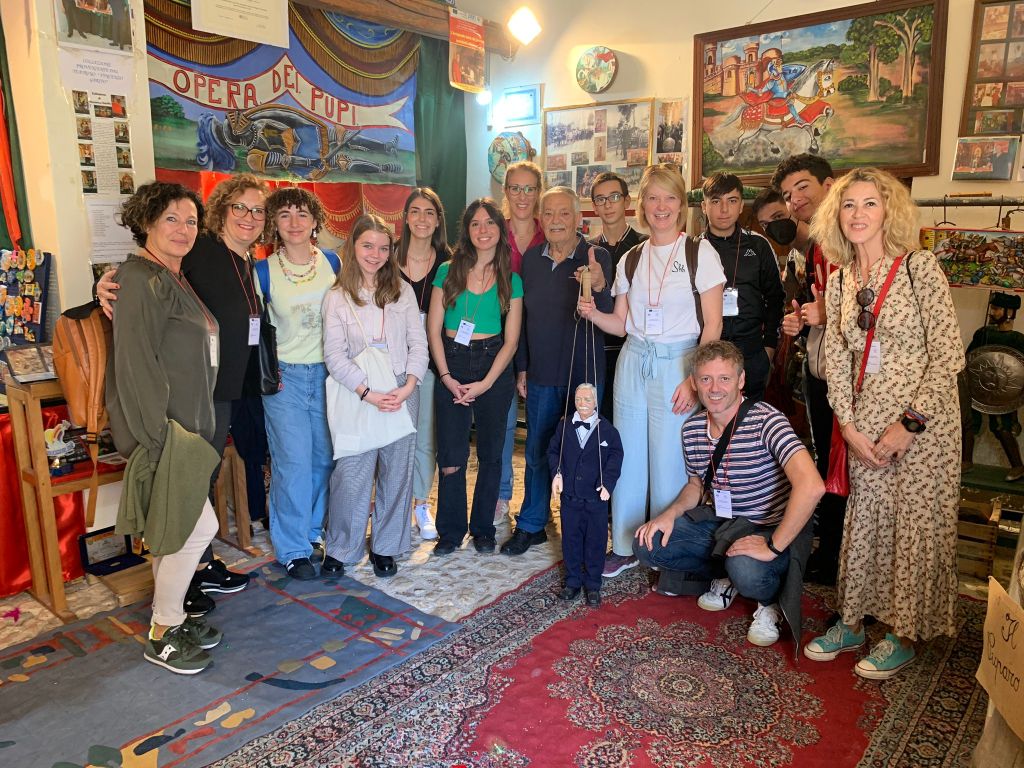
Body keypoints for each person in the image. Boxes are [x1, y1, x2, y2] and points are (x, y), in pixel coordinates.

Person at [804, 167, 965, 679]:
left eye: (869, 203)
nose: (858, 214)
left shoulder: (920, 267)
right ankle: (852, 621)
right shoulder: (840, 280)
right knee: (865, 523)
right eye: (848, 204)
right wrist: (848, 427)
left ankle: (903, 633)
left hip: (924, 427)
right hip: (864, 425)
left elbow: (948, 356)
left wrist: (908, 425)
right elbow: (837, 359)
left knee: (913, 525)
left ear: (888, 211)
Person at [98, 175, 269, 613]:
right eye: (240, 207)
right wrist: (100, 289)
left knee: (197, 492)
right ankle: (179, 594)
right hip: (181, 411)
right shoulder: (193, 254)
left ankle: (195, 575)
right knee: (185, 503)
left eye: (258, 210)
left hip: (217, 394)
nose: (249, 217)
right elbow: (135, 310)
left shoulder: (236, 260)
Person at [578, 164, 725, 578]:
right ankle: (625, 546)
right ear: (642, 204)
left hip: (679, 361)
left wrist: (695, 380)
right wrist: (593, 313)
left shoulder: (700, 252)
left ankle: (666, 549)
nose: (661, 207)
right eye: (653, 198)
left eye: (670, 198)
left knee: (669, 460)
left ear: (681, 204)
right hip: (633, 360)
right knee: (626, 456)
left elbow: (714, 324)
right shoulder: (632, 258)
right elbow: (622, 324)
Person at [632, 341, 824, 647]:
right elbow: (696, 486)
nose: (715, 389)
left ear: (741, 380)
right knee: (648, 542)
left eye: (724, 378)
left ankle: (768, 601)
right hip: (723, 523)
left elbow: (812, 486)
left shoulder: (767, 421)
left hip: (769, 526)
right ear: (694, 382)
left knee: (746, 568)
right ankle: (729, 575)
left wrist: (772, 546)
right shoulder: (692, 429)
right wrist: (668, 515)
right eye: (706, 379)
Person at [107, 181, 223, 674]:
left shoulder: (171, 275)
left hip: (187, 429)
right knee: (196, 528)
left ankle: (171, 619)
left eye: (191, 220)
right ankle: (163, 631)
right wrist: (156, 438)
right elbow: (135, 364)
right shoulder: (140, 278)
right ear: (147, 222)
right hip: (165, 433)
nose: (183, 229)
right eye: (171, 218)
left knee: (176, 528)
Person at [502, 187, 613, 556]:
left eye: (564, 213)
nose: (555, 220)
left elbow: (611, 311)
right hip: (541, 373)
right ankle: (532, 524)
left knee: (581, 455)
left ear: (578, 218)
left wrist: (599, 284)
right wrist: (522, 367)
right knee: (536, 451)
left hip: (585, 375)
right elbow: (522, 319)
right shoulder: (531, 261)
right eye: (548, 213)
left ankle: (579, 528)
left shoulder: (597, 257)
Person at [321, 214, 428, 577]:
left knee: (397, 472)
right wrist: (367, 392)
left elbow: (418, 343)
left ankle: (386, 546)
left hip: (400, 387)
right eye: (368, 246)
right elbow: (334, 355)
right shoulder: (336, 297)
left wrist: (408, 386)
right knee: (352, 472)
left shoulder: (403, 291)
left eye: (384, 248)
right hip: (356, 389)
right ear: (353, 246)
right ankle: (342, 547)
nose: (376, 254)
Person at [428, 199, 523, 555]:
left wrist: (485, 383)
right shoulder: (447, 271)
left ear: (500, 229)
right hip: (451, 361)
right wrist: (446, 376)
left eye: (490, 223)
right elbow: (433, 330)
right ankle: (450, 531)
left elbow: (511, 341)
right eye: (475, 224)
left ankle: (483, 528)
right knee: (451, 454)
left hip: (492, 364)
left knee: (491, 453)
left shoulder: (511, 280)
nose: (483, 230)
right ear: (467, 231)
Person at [254, 187, 338, 580]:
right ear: (274, 222)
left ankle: (313, 531)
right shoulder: (263, 271)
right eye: (285, 214)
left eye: (302, 214)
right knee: (293, 463)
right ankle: (292, 549)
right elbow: (254, 331)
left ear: (315, 221)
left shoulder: (333, 262)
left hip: (329, 376)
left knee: (324, 459)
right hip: (285, 379)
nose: (294, 222)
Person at [772, 153, 845, 586]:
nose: (794, 199)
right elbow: (817, 306)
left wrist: (827, 313)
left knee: (846, 463)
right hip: (821, 370)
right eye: (787, 194)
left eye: (802, 187)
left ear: (830, 186)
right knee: (827, 459)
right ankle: (830, 550)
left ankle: (842, 556)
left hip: (854, 378)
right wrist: (800, 319)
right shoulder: (815, 246)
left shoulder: (851, 238)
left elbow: (876, 308)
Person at [396, 188, 451, 539]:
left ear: (438, 220)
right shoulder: (388, 257)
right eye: (415, 211)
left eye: (429, 212)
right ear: (405, 218)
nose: (422, 219)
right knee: (392, 437)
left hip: (430, 361)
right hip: (389, 363)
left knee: (424, 436)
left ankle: (420, 503)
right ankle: (395, 505)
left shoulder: (449, 262)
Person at [700, 172, 784, 402]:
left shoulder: (758, 245)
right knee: (712, 417)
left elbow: (776, 298)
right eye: (716, 201)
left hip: (752, 350)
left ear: (740, 207)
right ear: (704, 207)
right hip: (708, 349)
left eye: (732, 200)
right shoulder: (693, 248)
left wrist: (769, 350)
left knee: (751, 418)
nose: (724, 209)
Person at [497, 161, 546, 523]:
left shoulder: (551, 231)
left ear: (539, 192)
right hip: (500, 337)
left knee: (541, 430)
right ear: (506, 191)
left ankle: (538, 503)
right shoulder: (494, 232)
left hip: (543, 339)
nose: (523, 196)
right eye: (516, 188)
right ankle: (501, 495)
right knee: (503, 423)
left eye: (530, 188)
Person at [549, 383, 623, 606]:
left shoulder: (607, 430)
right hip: (570, 497)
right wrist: (557, 473)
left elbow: (616, 457)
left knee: (595, 541)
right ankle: (572, 581)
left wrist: (608, 483)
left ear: (596, 402)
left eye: (587, 400)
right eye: (578, 399)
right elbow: (553, 451)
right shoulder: (564, 426)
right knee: (570, 540)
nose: (582, 404)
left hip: (595, 497)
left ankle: (593, 584)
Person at [588, 171, 647, 418]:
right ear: (594, 206)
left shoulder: (645, 246)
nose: (608, 204)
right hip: (595, 348)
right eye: (600, 199)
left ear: (627, 201)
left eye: (614, 197)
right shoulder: (588, 250)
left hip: (634, 348)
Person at [963, 292, 1024, 481]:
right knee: (969, 423)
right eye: (993, 308)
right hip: (978, 389)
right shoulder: (983, 334)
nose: (992, 312)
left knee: (1001, 428)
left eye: (997, 309)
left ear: (1009, 312)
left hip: (1003, 393)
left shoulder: (1018, 340)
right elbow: (969, 359)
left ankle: (1018, 467)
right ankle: (966, 462)